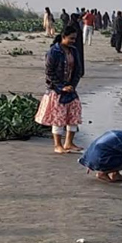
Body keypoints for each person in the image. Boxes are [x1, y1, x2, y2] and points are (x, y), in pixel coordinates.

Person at [34, 25, 83, 154]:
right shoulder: (53, 52)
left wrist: (72, 85)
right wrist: (62, 87)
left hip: (71, 88)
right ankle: (57, 145)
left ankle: (69, 142)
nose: (73, 41)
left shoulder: (73, 51)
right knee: (58, 117)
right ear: (63, 37)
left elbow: (78, 70)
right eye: (71, 38)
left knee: (74, 115)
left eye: (75, 39)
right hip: (56, 90)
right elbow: (49, 73)